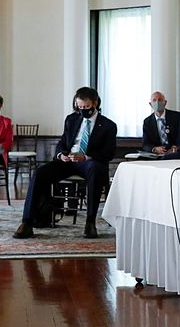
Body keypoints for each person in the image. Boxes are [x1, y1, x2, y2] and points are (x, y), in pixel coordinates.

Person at [14, 87, 117, 240]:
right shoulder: (72, 119)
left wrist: (86, 156)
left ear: (95, 103)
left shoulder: (108, 125)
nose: (82, 110)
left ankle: (90, 222)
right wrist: (61, 154)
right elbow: (62, 142)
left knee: (95, 169)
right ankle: (27, 222)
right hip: (68, 160)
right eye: (79, 107)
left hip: (89, 162)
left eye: (86, 107)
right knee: (40, 172)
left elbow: (108, 153)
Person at [140, 91, 180, 156]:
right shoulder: (147, 121)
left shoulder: (177, 117)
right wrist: (154, 149)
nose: (157, 102)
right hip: (157, 156)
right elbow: (145, 144)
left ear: (165, 102)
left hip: (175, 154)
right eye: (154, 100)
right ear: (150, 104)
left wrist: (177, 146)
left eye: (160, 100)